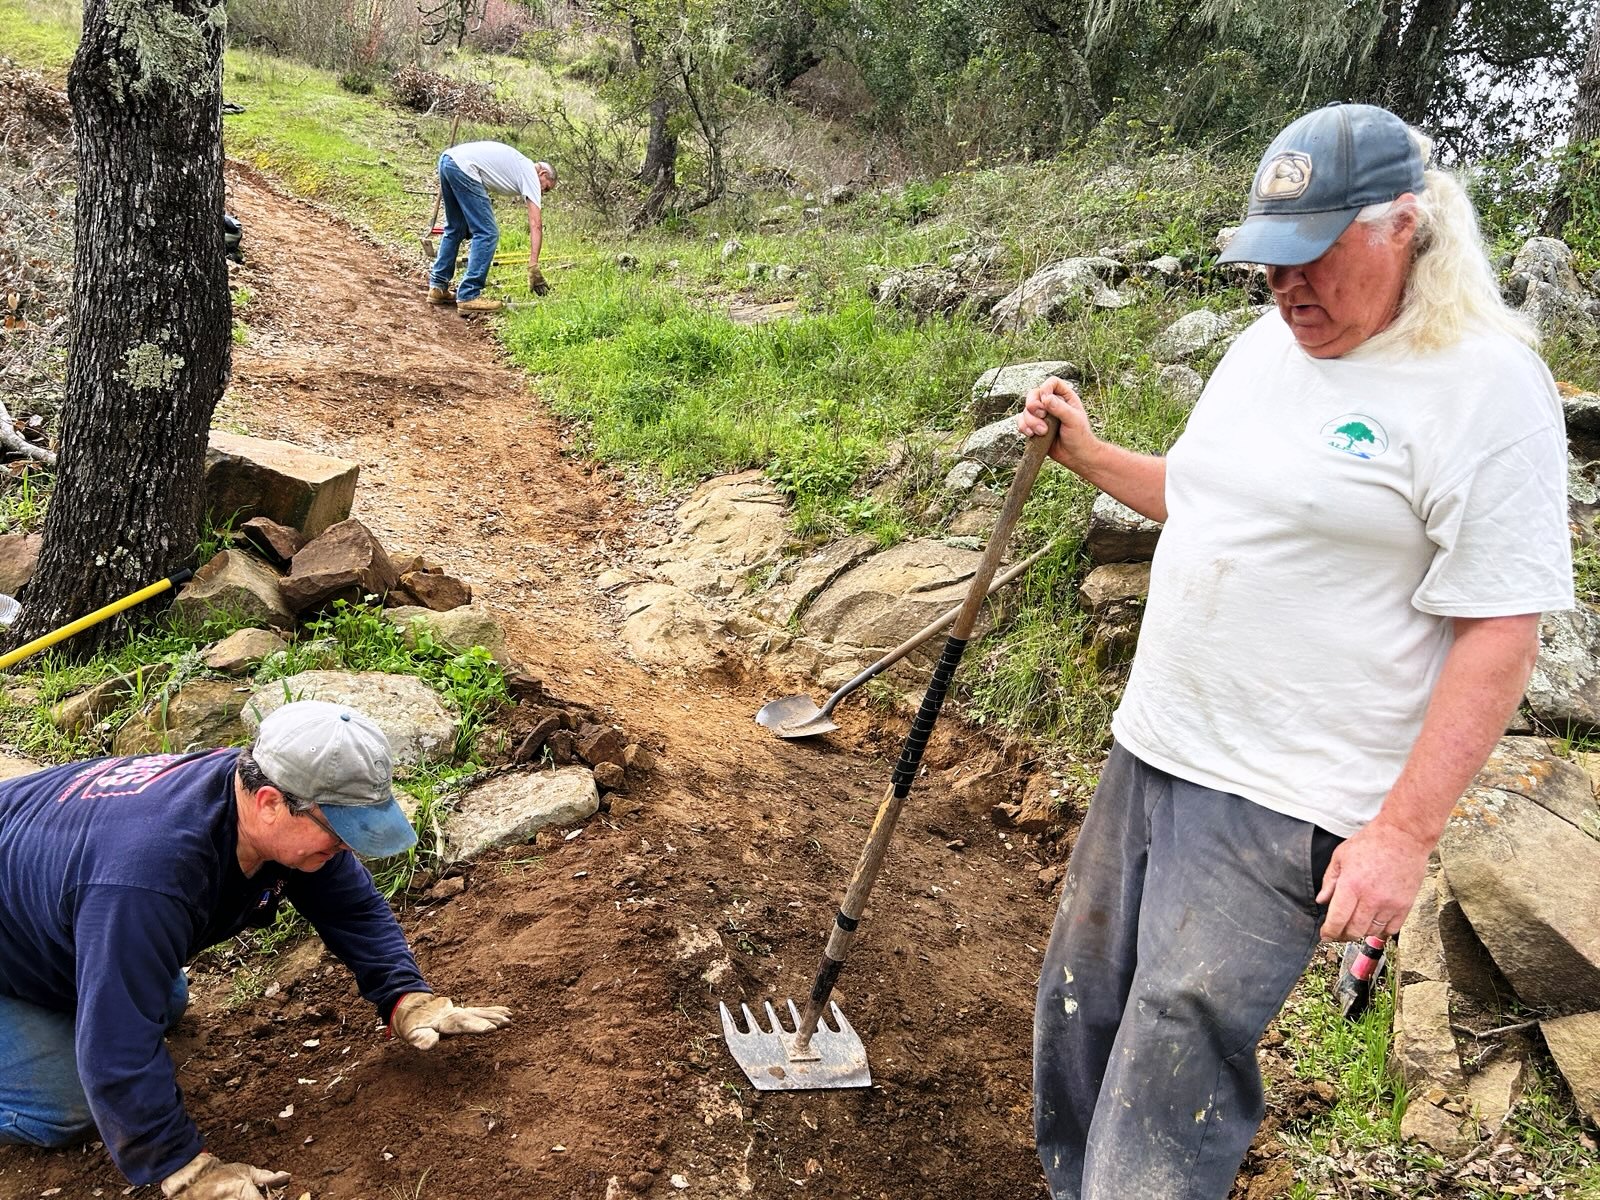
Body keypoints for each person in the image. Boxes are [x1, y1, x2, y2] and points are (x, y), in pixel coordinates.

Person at [1019, 101, 1572, 1199]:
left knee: (1174, 1059)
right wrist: (1091, 457)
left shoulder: (1485, 387)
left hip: (1281, 797)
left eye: (1312, 257)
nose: (1287, 288)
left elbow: (1501, 631)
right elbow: (1205, 498)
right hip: (1156, 747)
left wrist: (1401, 835)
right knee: (1078, 1011)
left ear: (1404, 227)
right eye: (1270, 263)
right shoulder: (1267, 345)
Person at [0, 700, 513, 1199]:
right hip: (57, 917)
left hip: (43, 913)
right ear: (269, 803)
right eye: (339, 831)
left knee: (162, 997)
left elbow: (350, 908)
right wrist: (183, 1168)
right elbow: (116, 1047)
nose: (347, 848)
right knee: (71, 1103)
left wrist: (405, 996)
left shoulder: (264, 794)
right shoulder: (148, 879)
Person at [427, 140, 557, 316]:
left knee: (455, 228)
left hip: (448, 160)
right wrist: (533, 264)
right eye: (546, 188)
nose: (542, 192)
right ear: (542, 173)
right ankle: (468, 296)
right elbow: (536, 224)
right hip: (463, 167)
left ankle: (438, 287)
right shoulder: (531, 174)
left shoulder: (520, 164)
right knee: (487, 233)